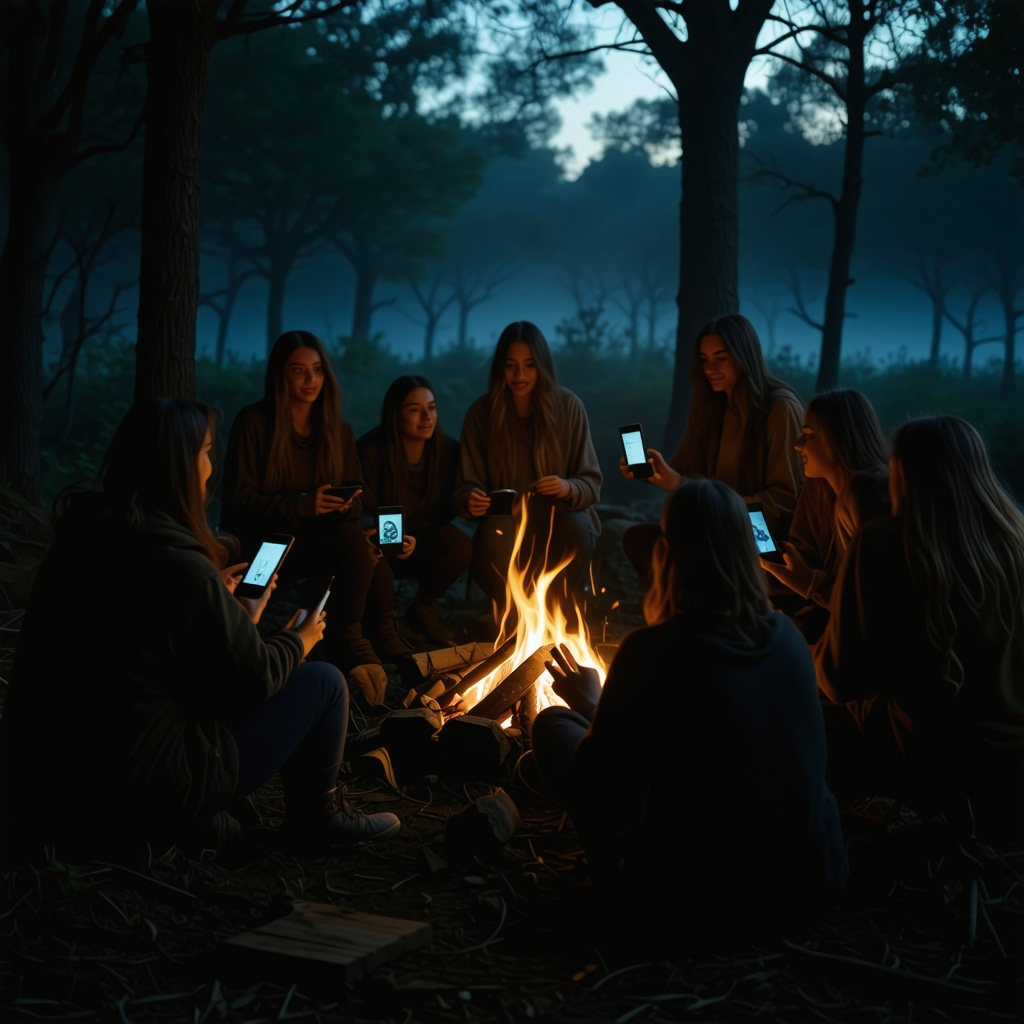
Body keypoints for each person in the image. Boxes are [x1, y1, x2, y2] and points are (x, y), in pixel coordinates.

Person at [0, 398, 400, 860]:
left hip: (57, 773)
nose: (211, 466)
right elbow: (252, 681)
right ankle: (316, 820)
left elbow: (148, 657)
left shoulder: (89, 539)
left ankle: (192, 821)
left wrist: (230, 613)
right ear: (176, 467)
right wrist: (299, 639)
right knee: (324, 682)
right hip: (142, 781)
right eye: (207, 452)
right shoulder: (180, 567)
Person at [530, 479, 848, 942]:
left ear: (667, 552)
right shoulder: (789, 637)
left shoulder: (652, 650)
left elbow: (597, 779)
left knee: (553, 725)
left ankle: (611, 875)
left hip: (699, 893)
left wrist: (595, 704)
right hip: (810, 874)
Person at [815, 416, 1024, 838]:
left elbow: (840, 682)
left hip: (933, 758)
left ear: (902, 474)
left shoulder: (884, 541)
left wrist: (799, 652)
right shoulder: (1012, 542)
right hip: (1012, 758)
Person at [221, 330, 402, 703]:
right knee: (350, 542)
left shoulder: (338, 428)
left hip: (319, 538)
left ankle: (354, 635)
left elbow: (358, 497)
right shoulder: (254, 422)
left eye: (317, 370)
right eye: (298, 370)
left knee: (362, 543)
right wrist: (300, 504)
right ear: (280, 375)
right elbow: (238, 502)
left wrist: (341, 504)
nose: (309, 380)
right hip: (267, 545)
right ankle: (312, 644)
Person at [621, 314, 804, 576]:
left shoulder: (779, 408)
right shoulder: (711, 406)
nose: (710, 368)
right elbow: (687, 475)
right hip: (709, 529)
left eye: (722, 358)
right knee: (640, 541)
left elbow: (785, 499)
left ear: (744, 357)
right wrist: (653, 473)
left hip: (756, 537)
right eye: (704, 360)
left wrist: (683, 487)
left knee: (682, 561)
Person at [454, 321, 602, 626]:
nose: (519, 376)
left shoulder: (569, 407)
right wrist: (471, 499)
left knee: (577, 527)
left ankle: (556, 616)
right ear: (500, 369)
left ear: (542, 367)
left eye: (529, 366)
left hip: (558, 521)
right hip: (507, 526)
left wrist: (566, 487)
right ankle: (516, 619)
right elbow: (466, 483)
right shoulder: (482, 414)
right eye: (511, 366)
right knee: (496, 531)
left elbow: (591, 483)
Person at [761, 389, 890, 637]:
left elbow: (871, 602)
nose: (798, 445)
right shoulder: (817, 488)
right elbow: (805, 553)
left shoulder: (870, 499)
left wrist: (811, 583)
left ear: (840, 440)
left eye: (808, 435)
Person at [357, 375, 471, 646]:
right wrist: (386, 535)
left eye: (431, 408)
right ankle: (384, 626)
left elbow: (450, 507)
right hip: (380, 538)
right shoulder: (371, 450)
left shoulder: (447, 451)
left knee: (460, 544)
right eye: (414, 410)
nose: (426, 417)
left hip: (422, 538)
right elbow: (361, 508)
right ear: (396, 413)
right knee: (373, 548)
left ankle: (423, 609)